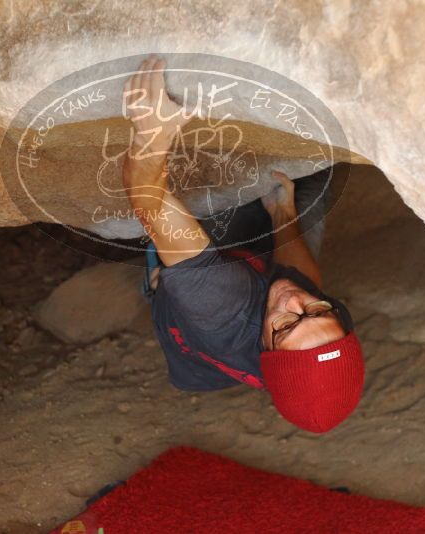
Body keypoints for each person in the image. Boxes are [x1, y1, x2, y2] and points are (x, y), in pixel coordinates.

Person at [122, 55, 364, 433]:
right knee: (316, 178)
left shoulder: (222, 305)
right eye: (319, 312)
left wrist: (150, 130)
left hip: (198, 315)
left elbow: (148, 200)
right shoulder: (309, 323)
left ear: (266, 346)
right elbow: (300, 280)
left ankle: (158, 279)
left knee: (203, 187)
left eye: (286, 325)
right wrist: (281, 212)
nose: (295, 301)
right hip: (227, 332)